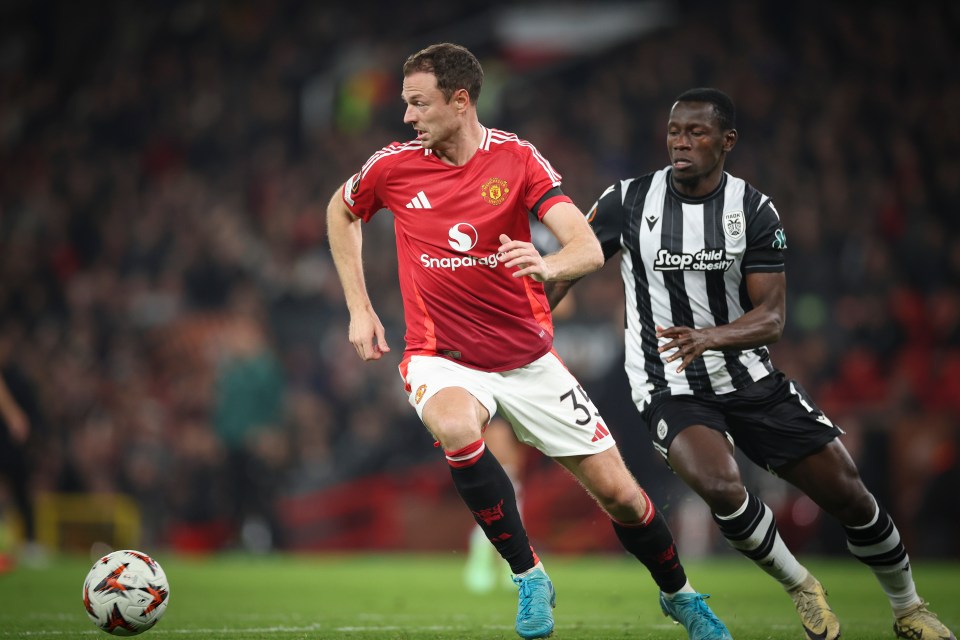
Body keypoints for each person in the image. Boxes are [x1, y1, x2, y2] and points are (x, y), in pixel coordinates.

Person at [326, 44, 731, 640]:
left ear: (460, 101)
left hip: (528, 362)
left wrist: (548, 264)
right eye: (406, 104)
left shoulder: (517, 160)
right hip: (441, 358)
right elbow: (341, 210)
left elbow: (588, 248)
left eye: (419, 103)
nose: (408, 117)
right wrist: (359, 309)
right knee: (458, 427)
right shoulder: (393, 165)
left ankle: (680, 595)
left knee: (621, 496)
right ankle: (529, 575)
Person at [545, 87, 956, 640]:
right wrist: (523, 316)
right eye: (674, 133)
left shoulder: (754, 210)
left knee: (850, 494)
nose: (681, 143)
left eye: (696, 133)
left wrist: (710, 337)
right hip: (667, 383)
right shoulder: (627, 201)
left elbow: (773, 317)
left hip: (750, 378)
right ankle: (802, 587)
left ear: (727, 141)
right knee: (720, 486)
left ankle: (908, 609)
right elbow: (569, 268)